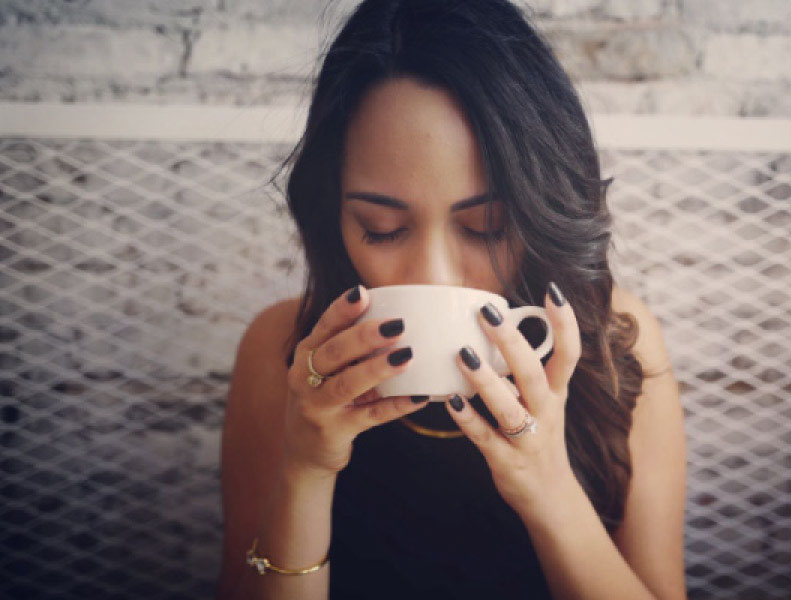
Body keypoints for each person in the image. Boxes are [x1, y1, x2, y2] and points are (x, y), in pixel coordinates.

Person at [215, 0, 686, 598]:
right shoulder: (282, 354)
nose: (434, 276)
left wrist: (549, 490)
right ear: (332, 213)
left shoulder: (612, 342)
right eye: (383, 228)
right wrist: (305, 470)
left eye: (485, 227)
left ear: (539, 211)